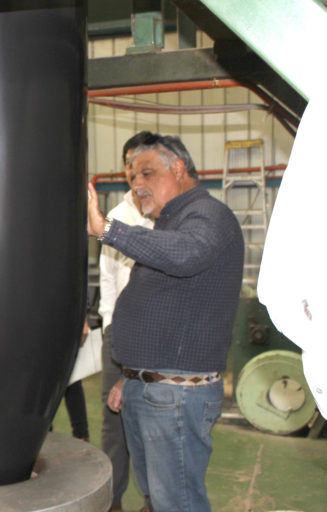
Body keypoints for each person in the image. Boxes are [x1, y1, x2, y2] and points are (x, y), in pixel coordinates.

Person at [88, 133, 243, 512]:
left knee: (177, 503)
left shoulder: (208, 216)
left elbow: (187, 255)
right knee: (160, 499)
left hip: (176, 395)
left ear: (178, 168)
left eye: (147, 173)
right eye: (132, 178)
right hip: (154, 388)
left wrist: (108, 229)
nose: (137, 185)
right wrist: (134, 377)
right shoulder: (171, 225)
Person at [98, 131, 155, 512]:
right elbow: (106, 276)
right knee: (114, 425)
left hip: (156, 335)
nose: (137, 176)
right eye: (130, 166)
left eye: (144, 167)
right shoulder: (115, 219)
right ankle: (112, 501)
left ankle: (155, 501)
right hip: (117, 335)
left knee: (155, 423)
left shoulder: (164, 216)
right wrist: (106, 324)